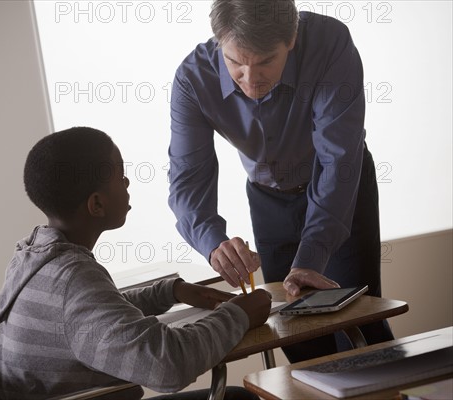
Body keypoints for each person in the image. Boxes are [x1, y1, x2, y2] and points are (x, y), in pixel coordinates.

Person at [168, 0, 394, 363]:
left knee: (358, 320)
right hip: (267, 199)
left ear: (291, 38)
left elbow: (337, 159)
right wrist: (213, 243)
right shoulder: (193, 78)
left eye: (264, 62)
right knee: (294, 329)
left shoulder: (330, 43)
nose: (250, 79)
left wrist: (312, 254)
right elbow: (187, 179)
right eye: (235, 63)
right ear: (219, 41)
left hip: (341, 187)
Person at [0, 127, 268, 400]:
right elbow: (166, 366)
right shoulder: (73, 278)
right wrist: (239, 314)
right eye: (121, 176)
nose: (127, 183)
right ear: (96, 204)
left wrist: (169, 291)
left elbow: (94, 313)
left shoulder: (33, 256)